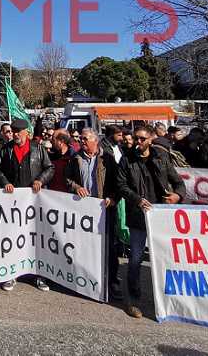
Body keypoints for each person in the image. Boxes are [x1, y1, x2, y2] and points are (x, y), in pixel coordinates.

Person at [117, 126, 186, 318]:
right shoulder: (127, 159)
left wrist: (177, 196)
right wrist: (136, 200)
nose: (138, 142)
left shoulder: (161, 158)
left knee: (164, 259)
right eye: (136, 139)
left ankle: (166, 300)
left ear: (150, 140)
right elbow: (121, 185)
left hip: (160, 216)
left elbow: (178, 182)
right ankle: (134, 299)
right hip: (138, 216)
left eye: (141, 139)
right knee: (136, 259)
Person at [0, 118, 53, 292]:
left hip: (33, 202)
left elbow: (49, 168)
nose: (14, 135)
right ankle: (11, 274)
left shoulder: (38, 149)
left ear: (26, 133)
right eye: (13, 132)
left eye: (18, 132)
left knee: (36, 238)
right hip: (13, 203)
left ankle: (40, 275)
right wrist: (5, 182)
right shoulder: (5, 150)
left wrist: (40, 180)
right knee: (12, 237)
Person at [67, 128, 122, 300]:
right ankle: (86, 280)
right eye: (81, 139)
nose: (81, 141)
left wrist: (113, 198)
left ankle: (111, 282)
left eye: (85, 139)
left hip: (104, 210)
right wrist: (77, 187)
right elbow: (67, 179)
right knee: (84, 247)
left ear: (95, 141)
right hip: (84, 212)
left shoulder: (108, 159)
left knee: (109, 249)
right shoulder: (75, 158)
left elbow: (118, 182)